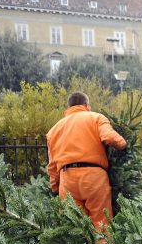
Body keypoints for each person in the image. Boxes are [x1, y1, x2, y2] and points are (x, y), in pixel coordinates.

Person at [46, 91, 127, 231]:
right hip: (94, 176)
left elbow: (52, 164)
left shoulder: (54, 130)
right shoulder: (96, 118)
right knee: (101, 223)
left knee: (74, 226)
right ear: (86, 105)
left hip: (67, 179)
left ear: (69, 107)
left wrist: (55, 186)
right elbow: (110, 137)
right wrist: (123, 144)